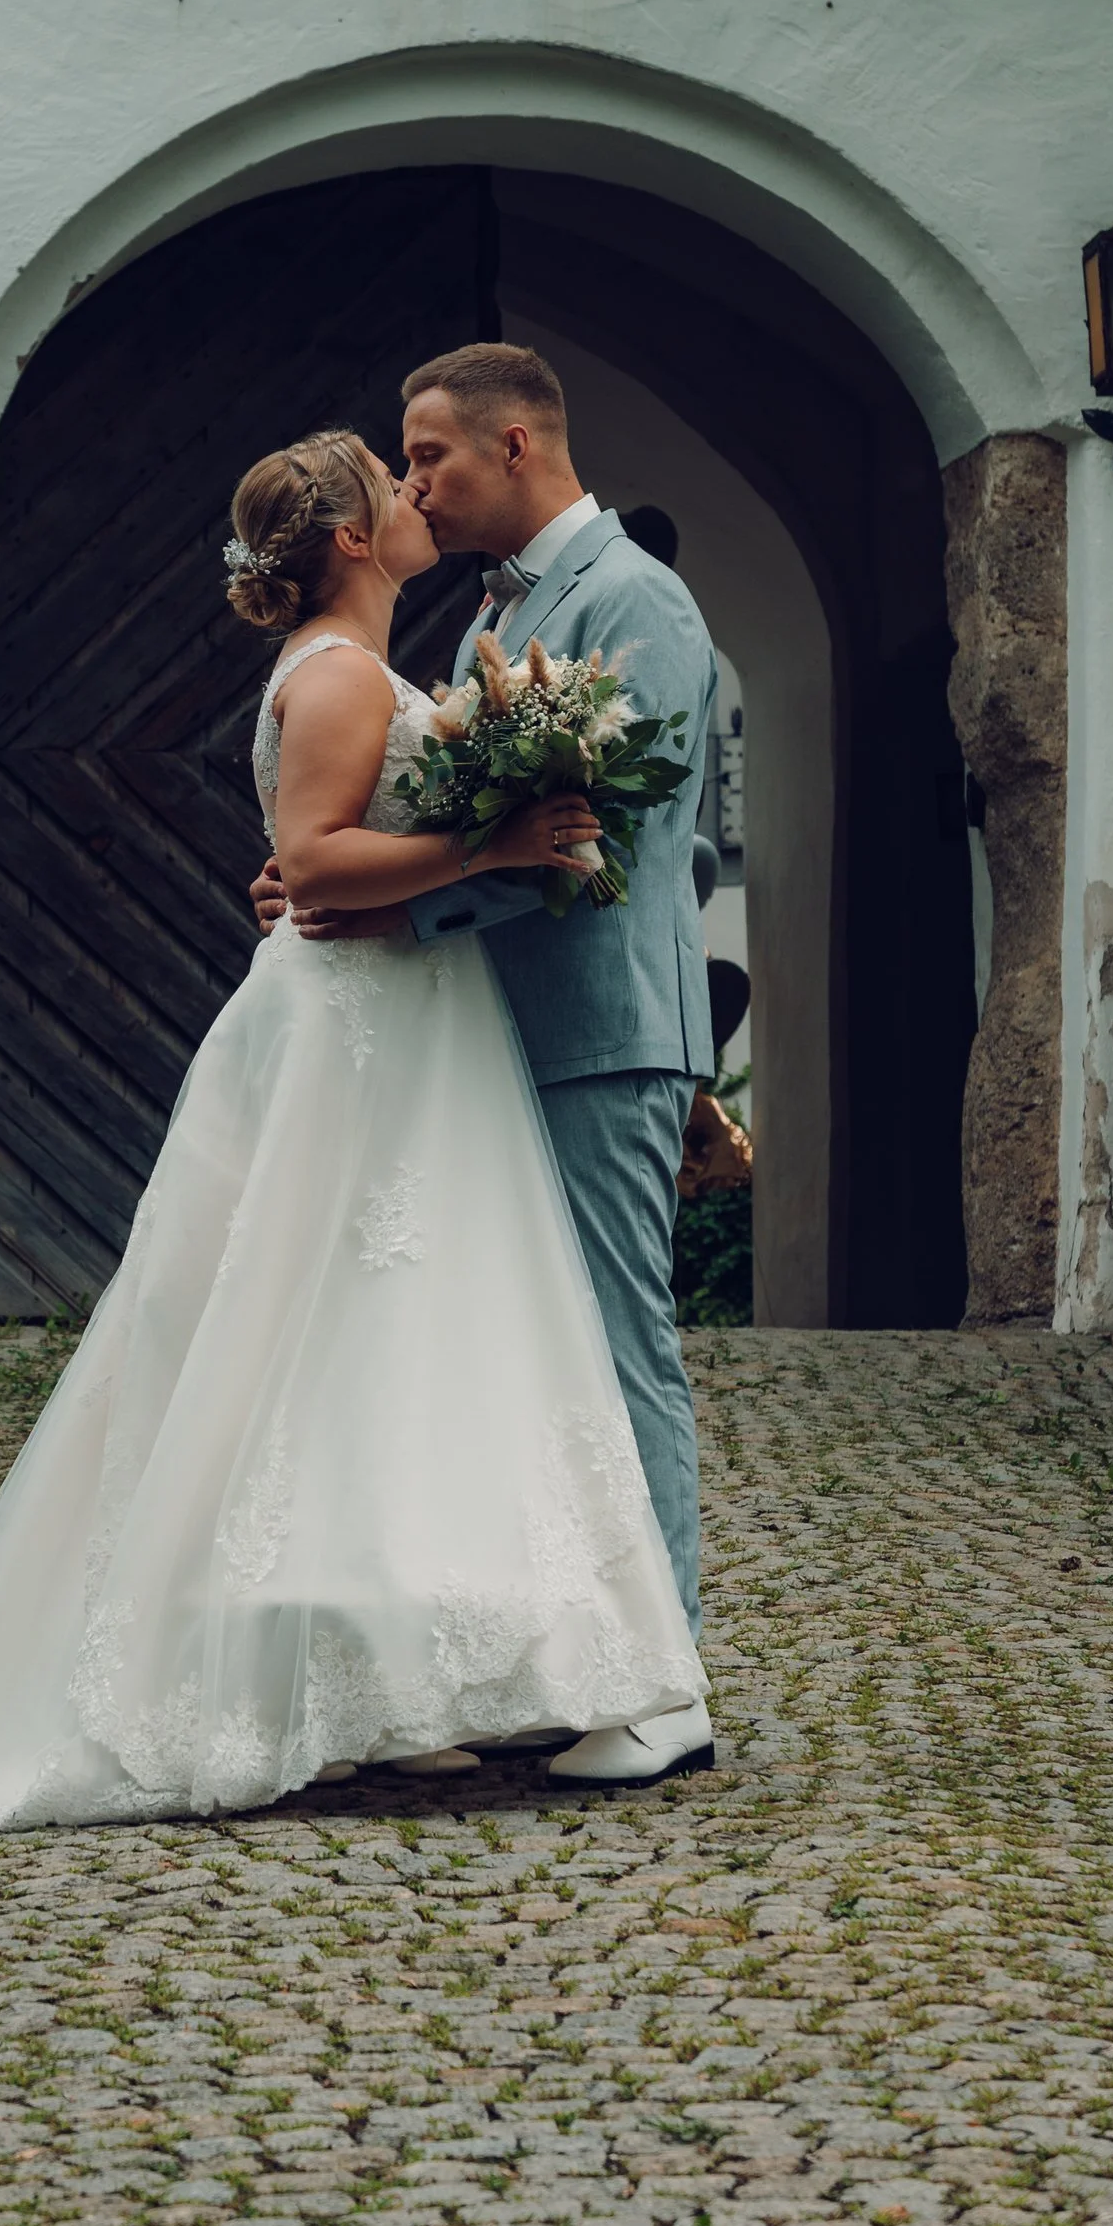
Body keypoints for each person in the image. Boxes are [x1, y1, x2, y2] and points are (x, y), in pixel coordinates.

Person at [0, 429, 707, 1831]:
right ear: (352, 541)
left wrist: (429, 852)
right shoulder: (345, 672)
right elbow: (312, 863)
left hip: (399, 1017)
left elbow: (325, 853)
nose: (417, 496)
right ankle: (325, 1679)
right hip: (358, 1032)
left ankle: (376, 1682)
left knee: (367, 1339)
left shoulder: (351, 665)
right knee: (318, 1327)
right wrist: (495, 844)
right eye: (394, 479)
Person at [255, 346, 719, 1789]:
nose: (417, 486)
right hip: (488, 1035)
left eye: (432, 458)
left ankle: (662, 1691)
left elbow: (601, 845)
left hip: (596, 1030)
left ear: (516, 445)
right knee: (525, 1360)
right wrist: (322, 878)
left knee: (611, 1344)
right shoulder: (489, 624)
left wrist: (381, 901)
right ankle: (553, 1662)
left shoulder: (632, 598)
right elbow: (443, 808)